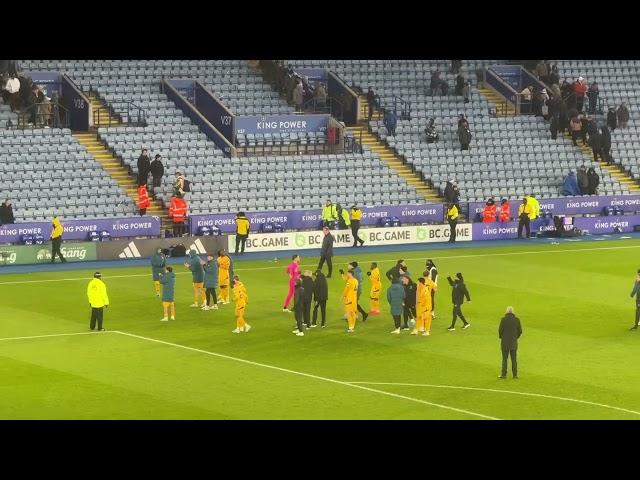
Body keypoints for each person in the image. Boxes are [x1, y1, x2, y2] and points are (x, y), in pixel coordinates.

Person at [498, 306, 522, 379]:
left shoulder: (503, 320)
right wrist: (516, 337)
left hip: (504, 342)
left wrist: (502, 337)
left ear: (507, 311)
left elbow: (500, 330)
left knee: (504, 359)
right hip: (513, 342)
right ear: (513, 312)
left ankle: (503, 374)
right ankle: (515, 375)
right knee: (514, 359)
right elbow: (520, 331)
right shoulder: (517, 320)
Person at [342, 269, 359, 333]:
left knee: (349, 314)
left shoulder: (350, 281)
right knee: (353, 313)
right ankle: (352, 326)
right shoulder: (356, 281)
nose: (347, 274)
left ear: (350, 274)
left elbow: (346, 289)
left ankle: (350, 327)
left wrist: (343, 296)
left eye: (348, 273)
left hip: (349, 299)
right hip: (354, 299)